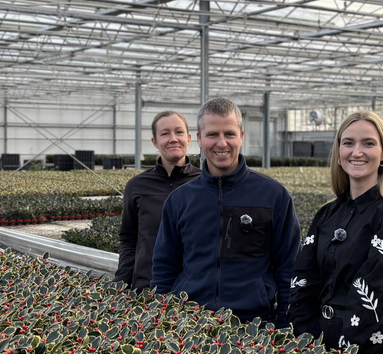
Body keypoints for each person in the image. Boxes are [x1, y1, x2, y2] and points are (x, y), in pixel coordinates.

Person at [151, 97, 301, 328]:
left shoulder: (274, 196)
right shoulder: (180, 200)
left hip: (254, 326)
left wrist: (283, 324)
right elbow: (164, 268)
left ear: (241, 136)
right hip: (190, 325)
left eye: (229, 134)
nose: (221, 143)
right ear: (199, 139)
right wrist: (163, 320)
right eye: (212, 135)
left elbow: (288, 267)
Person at [287, 111, 383, 354]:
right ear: (338, 152)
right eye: (348, 143)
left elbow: (381, 299)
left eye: (368, 143)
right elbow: (303, 283)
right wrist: (307, 346)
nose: (357, 152)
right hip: (319, 352)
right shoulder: (328, 214)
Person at [115, 111, 201, 292]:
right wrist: (121, 284)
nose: (173, 139)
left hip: (194, 291)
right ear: (155, 142)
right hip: (147, 288)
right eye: (165, 133)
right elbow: (129, 239)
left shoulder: (204, 183)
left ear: (189, 138)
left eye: (179, 132)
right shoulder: (137, 186)